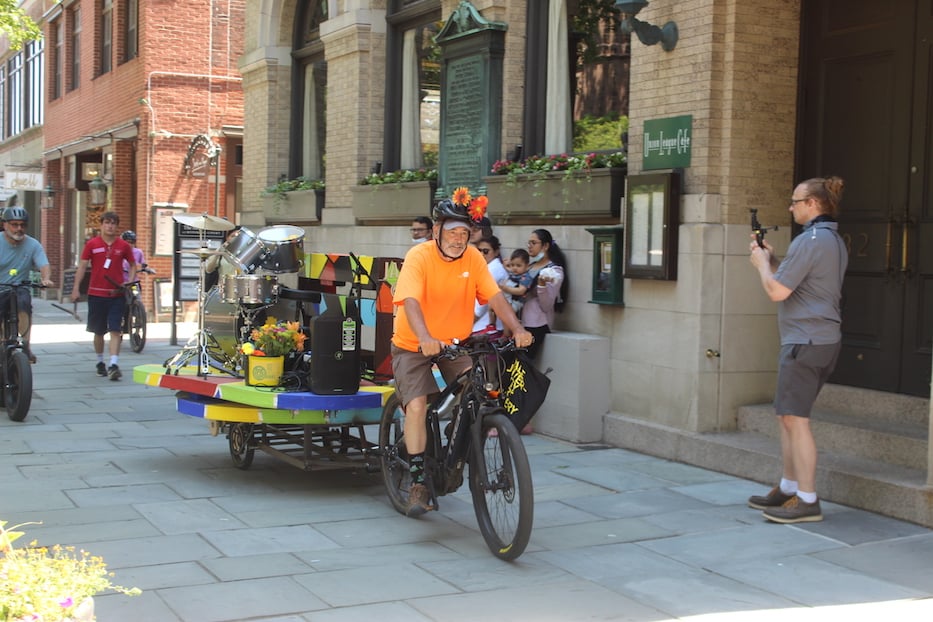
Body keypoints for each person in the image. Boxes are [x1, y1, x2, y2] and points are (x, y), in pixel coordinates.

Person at [391, 191, 533, 516]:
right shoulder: (419, 256)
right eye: (452, 232)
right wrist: (425, 336)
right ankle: (416, 482)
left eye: (463, 233)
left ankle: (454, 448)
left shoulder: (472, 258)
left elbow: (495, 298)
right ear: (437, 230)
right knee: (416, 406)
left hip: (454, 341)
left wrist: (518, 329)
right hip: (414, 342)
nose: (458, 239)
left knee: (478, 388)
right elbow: (410, 300)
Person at [747, 176, 847, 524]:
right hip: (817, 339)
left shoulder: (811, 241)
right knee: (786, 415)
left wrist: (761, 266)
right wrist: (773, 261)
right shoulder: (830, 239)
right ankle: (789, 488)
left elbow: (776, 292)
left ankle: (806, 499)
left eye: (795, 201)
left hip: (805, 341)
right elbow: (791, 283)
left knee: (796, 420)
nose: (790, 208)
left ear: (813, 204)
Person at [71, 212, 136, 381]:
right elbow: (82, 267)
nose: (110, 226)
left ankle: (114, 364)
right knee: (98, 331)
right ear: (101, 225)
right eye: (107, 223)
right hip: (96, 294)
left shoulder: (123, 246)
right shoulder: (92, 244)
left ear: (117, 226)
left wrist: (129, 281)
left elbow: (133, 264)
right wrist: (76, 288)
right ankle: (100, 361)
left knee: (115, 329)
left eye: (113, 223)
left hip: (116, 294)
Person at [0, 206, 54, 363]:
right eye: (14, 224)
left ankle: (25, 345)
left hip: (20, 287)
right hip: (1, 287)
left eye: (22, 225)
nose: (19, 228)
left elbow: (44, 265)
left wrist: (46, 279)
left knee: (24, 303)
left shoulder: (33, 244)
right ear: (5, 225)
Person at [522, 229, 567, 359]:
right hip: (521, 323)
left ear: (545, 246)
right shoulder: (529, 266)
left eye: (533, 243)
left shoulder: (554, 271)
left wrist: (541, 285)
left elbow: (547, 305)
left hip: (537, 325)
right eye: (528, 242)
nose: (529, 246)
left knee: (522, 367)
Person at [472, 235, 508, 335]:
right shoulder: (484, 267)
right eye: (479, 250)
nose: (482, 254)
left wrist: (468, 323)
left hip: (485, 327)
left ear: (496, 252)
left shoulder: (495, 269)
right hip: (478, 325)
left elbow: (482, 303)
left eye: (486, 251)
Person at [499, 248, 534, 317]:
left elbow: (521, 291)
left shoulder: (525, 277)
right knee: (492, 305)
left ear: (527, 266)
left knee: (507, 315)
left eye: (518, 265)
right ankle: (492, 324)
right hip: (508, 298)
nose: (514, 268)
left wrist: (506, 289)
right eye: (513, 265)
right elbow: (509, 269)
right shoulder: (515, 273)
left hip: (516, 301)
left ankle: (507, 327)